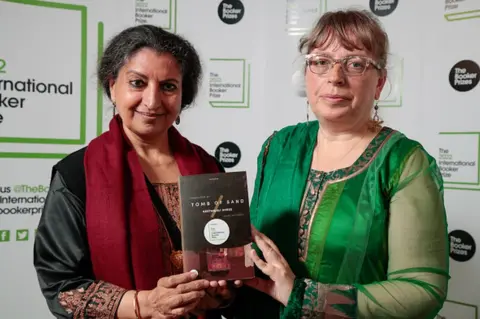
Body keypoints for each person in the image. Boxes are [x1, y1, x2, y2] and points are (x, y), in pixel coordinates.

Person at [233, 8, 450, 319]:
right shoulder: (278, 147)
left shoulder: (403, 161)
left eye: (356, 64)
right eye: (321, 62)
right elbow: (255, 250)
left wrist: (303, 296)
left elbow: (422, 289)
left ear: (379, 83)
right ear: (306, 75)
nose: (335, 77)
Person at [33, 25, 239, 319]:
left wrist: (222, 295)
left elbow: (230, 275)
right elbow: (61, 288)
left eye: (168, 86)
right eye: (138, 83)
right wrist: (146, 305)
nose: (152, 101)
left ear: (184, 96)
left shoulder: (210, 169)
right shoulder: (76, 175)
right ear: (113, 86)